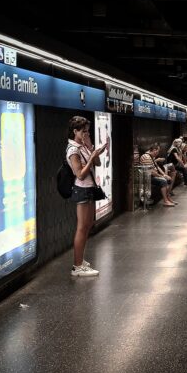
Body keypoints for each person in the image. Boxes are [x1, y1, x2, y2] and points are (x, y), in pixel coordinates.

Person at [66, 116, 108, 277]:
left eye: (88, 131)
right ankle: (77, 266)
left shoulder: (83, 145)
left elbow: (97, 163)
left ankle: (81, 260)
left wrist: (91, 148)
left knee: (88, 225)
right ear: (75, 131)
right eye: (83, 131)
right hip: (81, 190)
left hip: (89, 189)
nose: (86, 134)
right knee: (82, 227)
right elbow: (80, 174)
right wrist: (91, 156)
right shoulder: (73, 150)